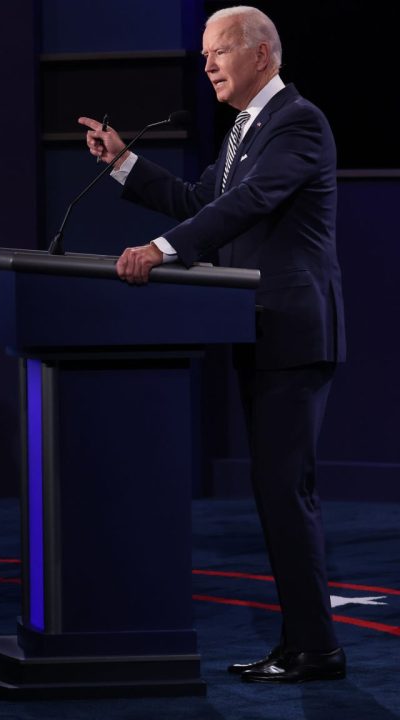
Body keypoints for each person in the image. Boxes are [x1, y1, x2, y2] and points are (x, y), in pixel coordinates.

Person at [79, 6, 346, 683]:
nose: (207, 66)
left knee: (285, 492)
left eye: (217, 52)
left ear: (262, 53)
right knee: (275, 491)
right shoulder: (243, 132)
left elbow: (247, 204)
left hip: (293, 334)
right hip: (259, 332)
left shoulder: (298, 123)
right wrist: (126, 165)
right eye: (204, 55)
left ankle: (317, 649)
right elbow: (203, 198)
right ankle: (302, 642)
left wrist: (163, 251)